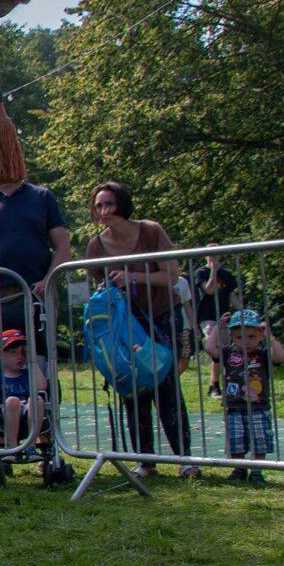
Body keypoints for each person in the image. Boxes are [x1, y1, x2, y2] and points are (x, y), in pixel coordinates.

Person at [84, 181, 198, 478]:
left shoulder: (150, 231)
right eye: (98, 206)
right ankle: (145, 461)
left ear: (122, 204)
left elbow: (171, 275)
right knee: (132, 389)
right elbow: (97, 284)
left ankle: (185, 459)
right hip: (124, 326)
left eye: (109, 204)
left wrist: (133, 277)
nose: (104, 211)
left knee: (166, 385)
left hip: (162, 316)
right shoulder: (96, 245)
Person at [0, 161, 73, 360]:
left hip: (37, 294)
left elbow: (62, 247)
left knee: (40, 357)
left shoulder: (42, 196)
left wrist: (48, 281)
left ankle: (42, 380)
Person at [204, 308, 284, 484]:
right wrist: (218, 328)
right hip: (234, 407)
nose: (246, 341)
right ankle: (239, 468)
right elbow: (209, 348)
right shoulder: (228, 354)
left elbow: (280, 357)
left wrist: (270, 337)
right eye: (240, 337)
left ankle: (256, 471)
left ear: (260, 336)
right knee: (236, 440)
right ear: (232, 337)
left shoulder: (262, 354)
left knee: (260, 440)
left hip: (258, 406)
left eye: (251, 336)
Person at [0, 329, 45, 469]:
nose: (20, 357)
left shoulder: (28, 375)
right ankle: (12, 448)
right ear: (0, 355)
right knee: (12, 401)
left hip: (27, 410)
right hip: (5, 410)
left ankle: (31, 447)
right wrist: (12, 404)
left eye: (23, 353)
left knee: (37, 399)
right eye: (14, 353)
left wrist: (33, 361)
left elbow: (42, 387)